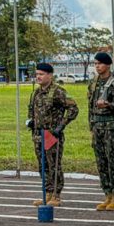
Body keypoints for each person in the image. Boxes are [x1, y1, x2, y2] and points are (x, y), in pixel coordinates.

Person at [27, 63, 78, 206]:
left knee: (53, 164)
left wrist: (60, 126)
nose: (38, 77)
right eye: (37, 74)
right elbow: (31, 110)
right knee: (42, 165)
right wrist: (31, 121)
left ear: (50, 75)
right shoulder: (36, 93)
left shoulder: (58, 92)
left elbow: (73, 109)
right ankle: (47, 193)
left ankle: (56, 195)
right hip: (38, 135)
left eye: (41, 74)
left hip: (52, 135)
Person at [87, 52, 114, 211]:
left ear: (108, 65)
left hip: (112, 127)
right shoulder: (93, 83)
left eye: (100, 63)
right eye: (95, 63)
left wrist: (109, 105)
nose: (97, 66)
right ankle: (107, 194)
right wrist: (91, 126)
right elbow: (91, 107)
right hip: (98, 127)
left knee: (113, 162)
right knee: (101, 162)